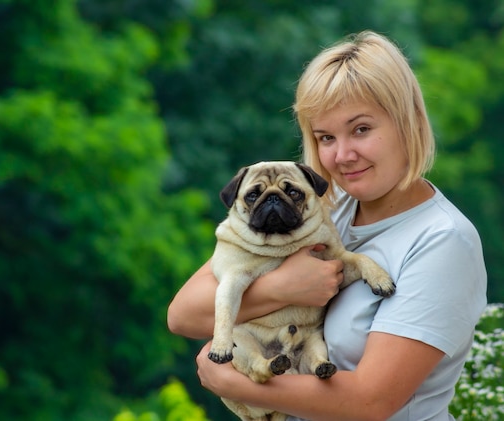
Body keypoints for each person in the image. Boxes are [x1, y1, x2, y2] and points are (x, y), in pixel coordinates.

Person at [167, 30, 487, 421]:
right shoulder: (320, 210)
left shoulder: (442, 241)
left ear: (409, 122)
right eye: (325, 137)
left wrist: (232, 382)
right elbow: (183, 315)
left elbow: (370, 401)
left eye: (361, 129)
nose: (343, 155)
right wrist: (280, 287)